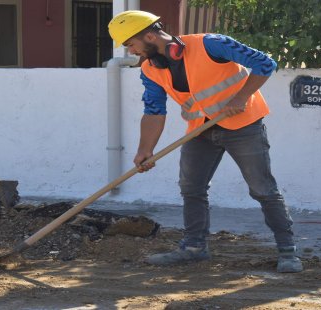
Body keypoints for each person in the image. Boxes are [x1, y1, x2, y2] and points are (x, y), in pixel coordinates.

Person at [107, 10, 302, 273]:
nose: (131, 51)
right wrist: (145, 150)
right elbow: (154, 111)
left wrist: (242, 97)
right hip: (200, 130)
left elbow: (265, 63)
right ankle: (194, 248)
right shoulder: (150, 70)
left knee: (262, 188)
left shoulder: (211, 44)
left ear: (150, 36)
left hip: (243, 126)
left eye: (131, 44)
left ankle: (288, 252)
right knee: (191, 187)